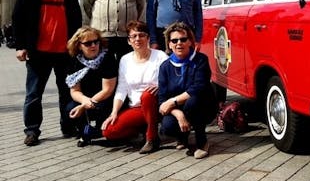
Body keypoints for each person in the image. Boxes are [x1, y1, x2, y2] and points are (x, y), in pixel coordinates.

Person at [12, 0, 82, 146]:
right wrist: (20, 46)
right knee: (34, 94)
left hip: (64, 53)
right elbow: (18, 19)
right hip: (38, 52)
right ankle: (32, 130)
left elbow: (76, 20)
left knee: (66, 92)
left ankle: (68, 125)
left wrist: (76, 45)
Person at [101, 20, 168, 154]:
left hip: (156, 104)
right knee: (109, 131)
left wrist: (160, 87)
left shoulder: (160, 56)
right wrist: (114, 112)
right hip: (136, 108)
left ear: (148, 38)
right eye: (134, 36)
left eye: (142, 35)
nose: (138, 39)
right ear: (128, 41)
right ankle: (144, 127)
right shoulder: (125, 60)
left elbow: (170, 80)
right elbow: (122, 88)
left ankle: (152, 138)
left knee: (147, 95)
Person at [158, 22, 216, 159]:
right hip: (179, 108)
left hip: (202, 105)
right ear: (169, 44)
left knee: (193, 101)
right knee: (167, 127)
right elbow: (162, 98)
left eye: (183, 39)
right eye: (174, 40)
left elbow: (198, 87)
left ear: (190, 41)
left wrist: (173, 101)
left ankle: (202, 142)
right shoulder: (164, 67)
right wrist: (179, 115)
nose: (179, 43)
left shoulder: (201, 60)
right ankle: (182, 136)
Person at [64, 26, 117, 147]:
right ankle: (84, 134)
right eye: (88, 43)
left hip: (105, 98)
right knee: (70, 108)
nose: (93, 45)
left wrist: (85, 105)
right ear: (79, 45)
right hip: (86, 97)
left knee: (101, 107)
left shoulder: (107, 58)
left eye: (96, 41)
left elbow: (108, 90)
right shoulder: (73, 60)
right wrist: (84, 101)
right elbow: (74, 91)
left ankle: (102, 131)